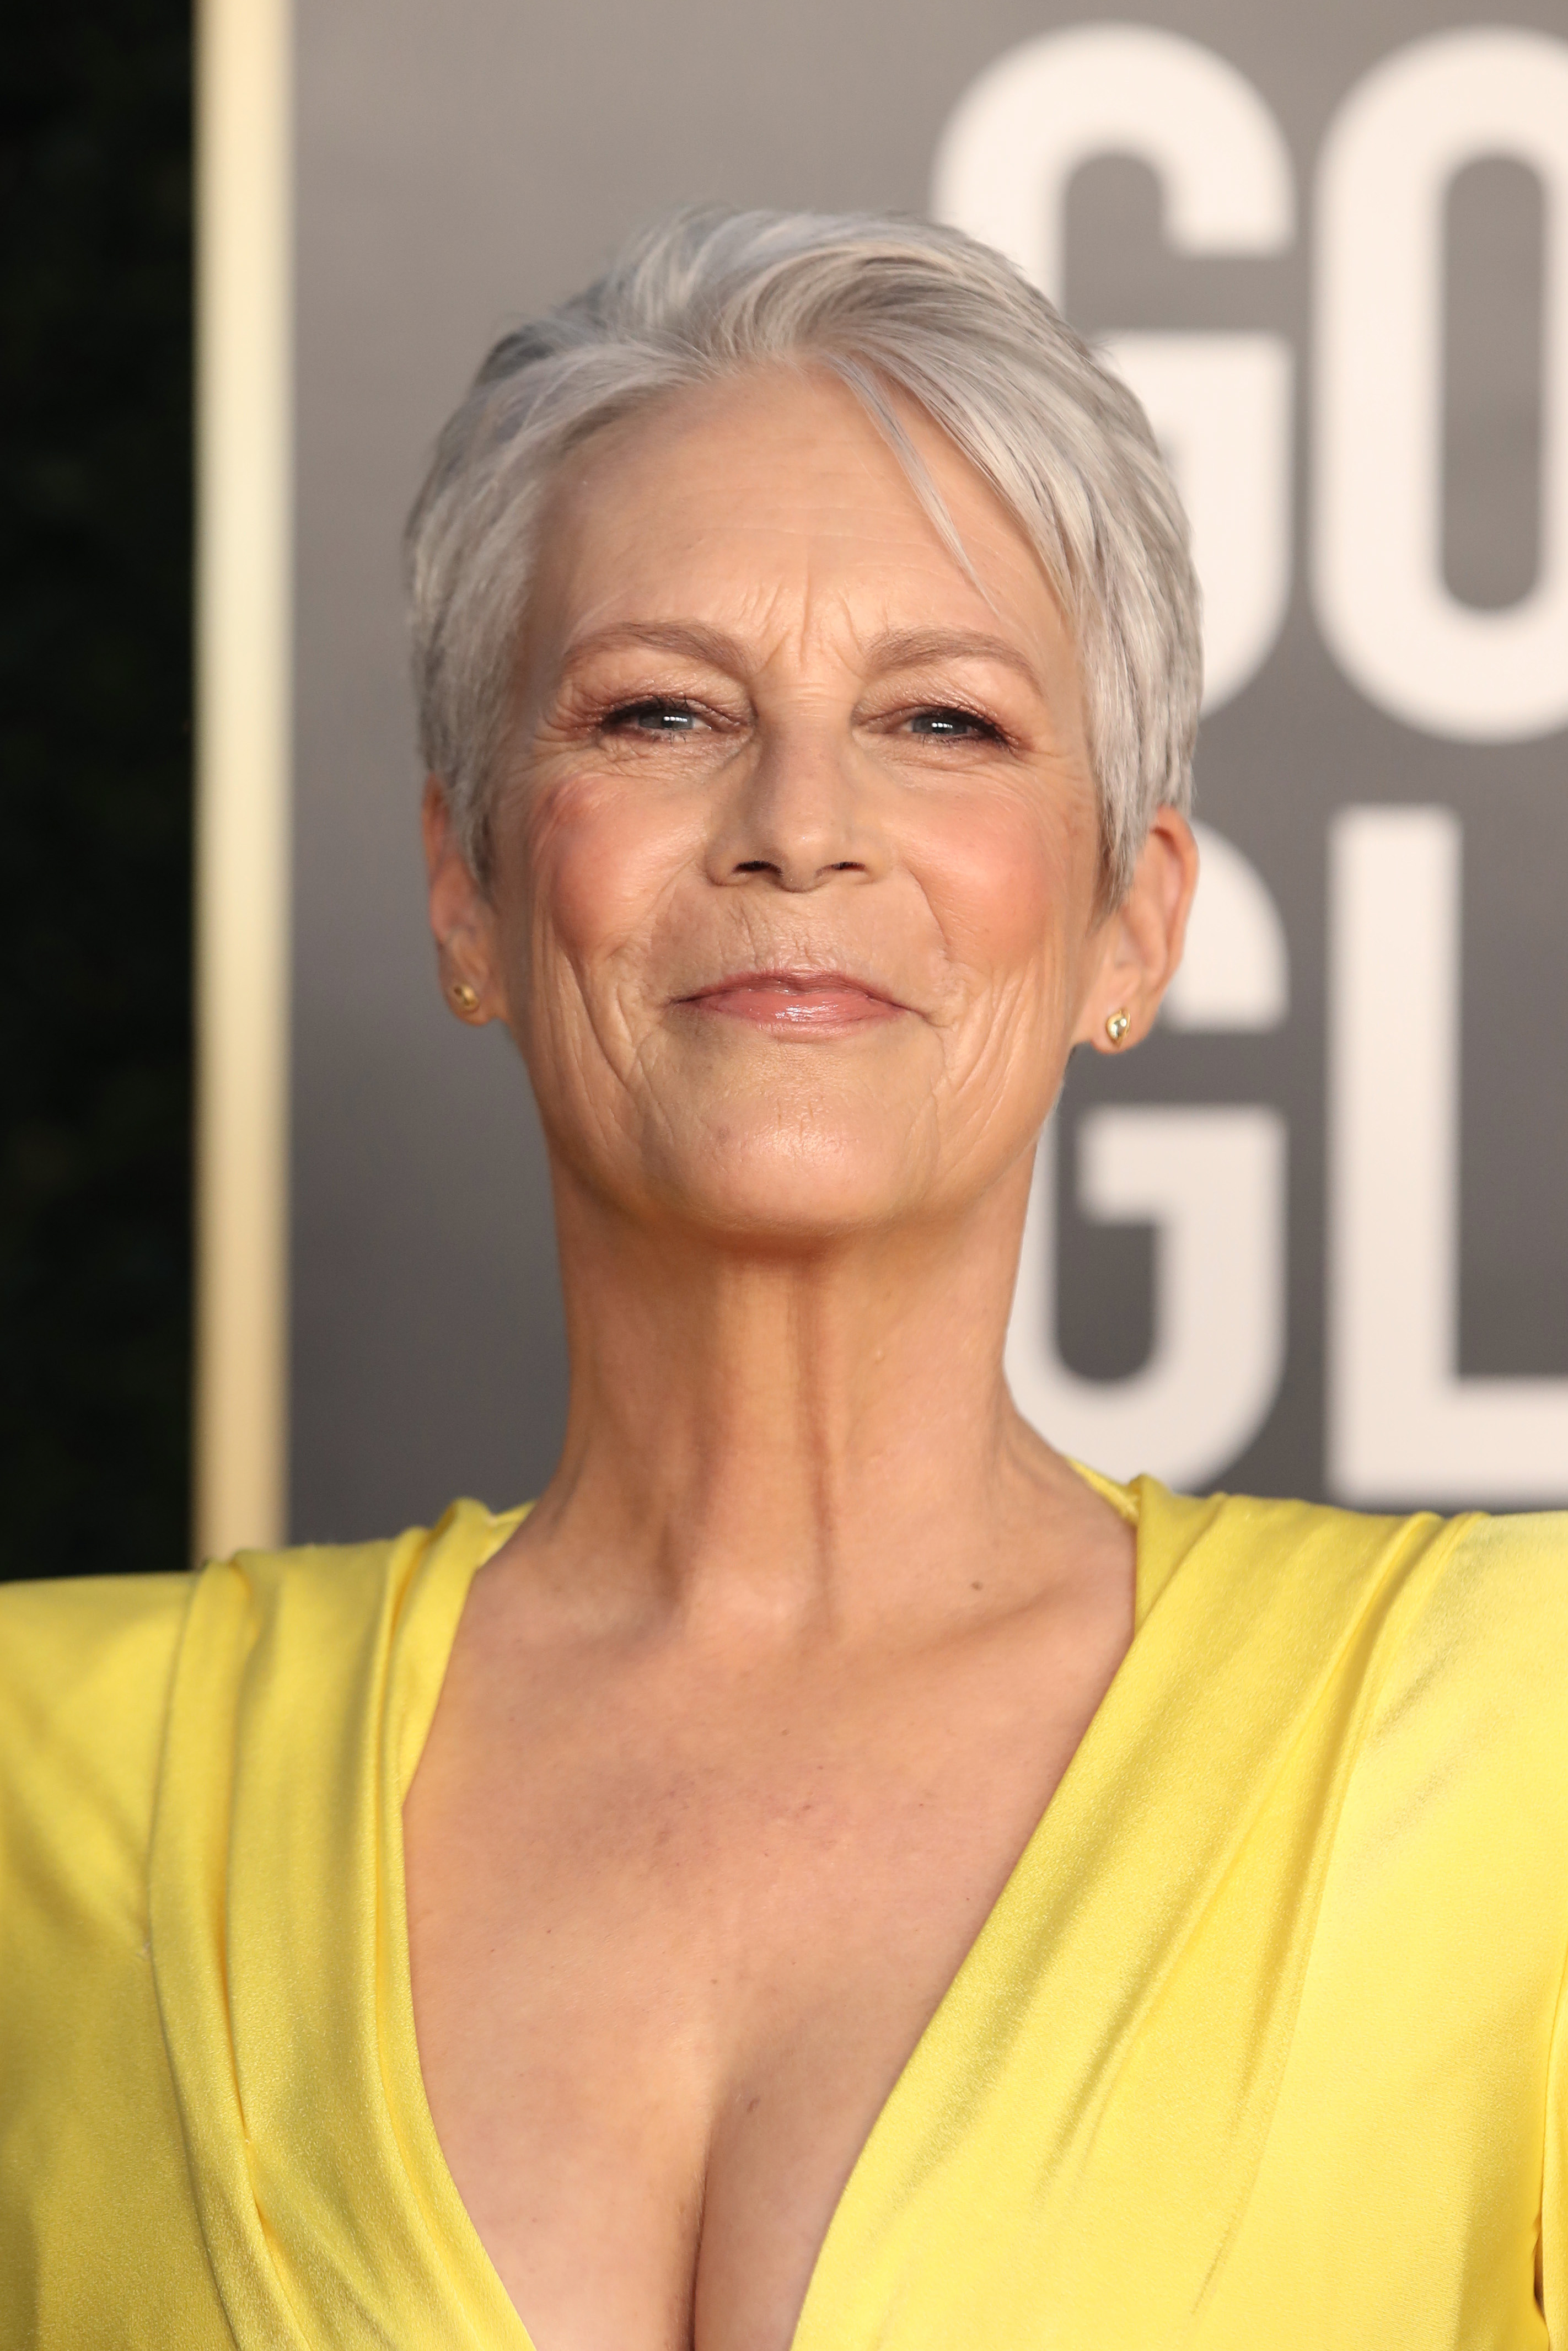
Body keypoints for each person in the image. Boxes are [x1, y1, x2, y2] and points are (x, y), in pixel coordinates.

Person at [2, 207, 1565, 2351]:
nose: (798, 822)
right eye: (657, 712)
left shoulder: (1514, 1745)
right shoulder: (47, 1788)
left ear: (1135, 918)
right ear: (467, 883)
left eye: (942, 721)